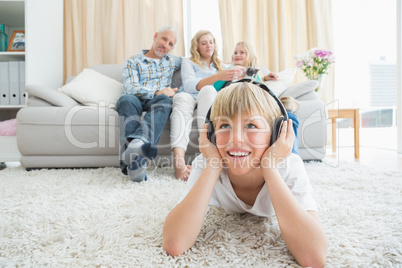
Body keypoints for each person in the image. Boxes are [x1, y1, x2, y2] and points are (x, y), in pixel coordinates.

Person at [163, 82, 327, 267]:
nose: (236, 139)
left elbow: (314, 258)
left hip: (272, 153)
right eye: (224, 125)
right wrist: (214, 166)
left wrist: (270, 168)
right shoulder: (208, 161)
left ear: (274, 134)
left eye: (251, 125)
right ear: (211, 134)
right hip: (252, 150)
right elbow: (174, 244)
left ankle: (290, 115)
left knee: (291, 129)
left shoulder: (289, 165)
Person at [169, 30, 244, 180]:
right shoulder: (188, 62)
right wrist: (217, 76)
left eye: (211, 42)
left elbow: (246, 67)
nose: (208, 45)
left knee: (209, 90)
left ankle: (207, 158)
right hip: (190, 95)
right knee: (181, 97)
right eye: (204, 43)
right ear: (197, 47)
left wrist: (267, 75)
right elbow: (190, 85)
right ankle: (179, 164)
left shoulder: (221, 65)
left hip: (207, 97)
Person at [116, 26, 181, 182]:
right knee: (126, 100)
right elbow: (130, 87)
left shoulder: (173, 61)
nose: (166, 45)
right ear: (155, 36)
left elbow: (198, 63)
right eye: (164, 39)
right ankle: (135, 163)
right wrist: (158, 91)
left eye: (171, 44)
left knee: (165, 101)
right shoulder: (133, 61)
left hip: (159, 100)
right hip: (135, 98)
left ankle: (135, 154)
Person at [232, 41, 300, 154]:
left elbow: (258, 86)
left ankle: (291, 159)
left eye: (242, 52)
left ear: (250, 55)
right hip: (244, 105)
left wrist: (265, 78)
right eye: (235, 52)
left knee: (290, 118)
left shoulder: (256, 73)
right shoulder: (229, 72)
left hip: (258, 103)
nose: (237, 55)